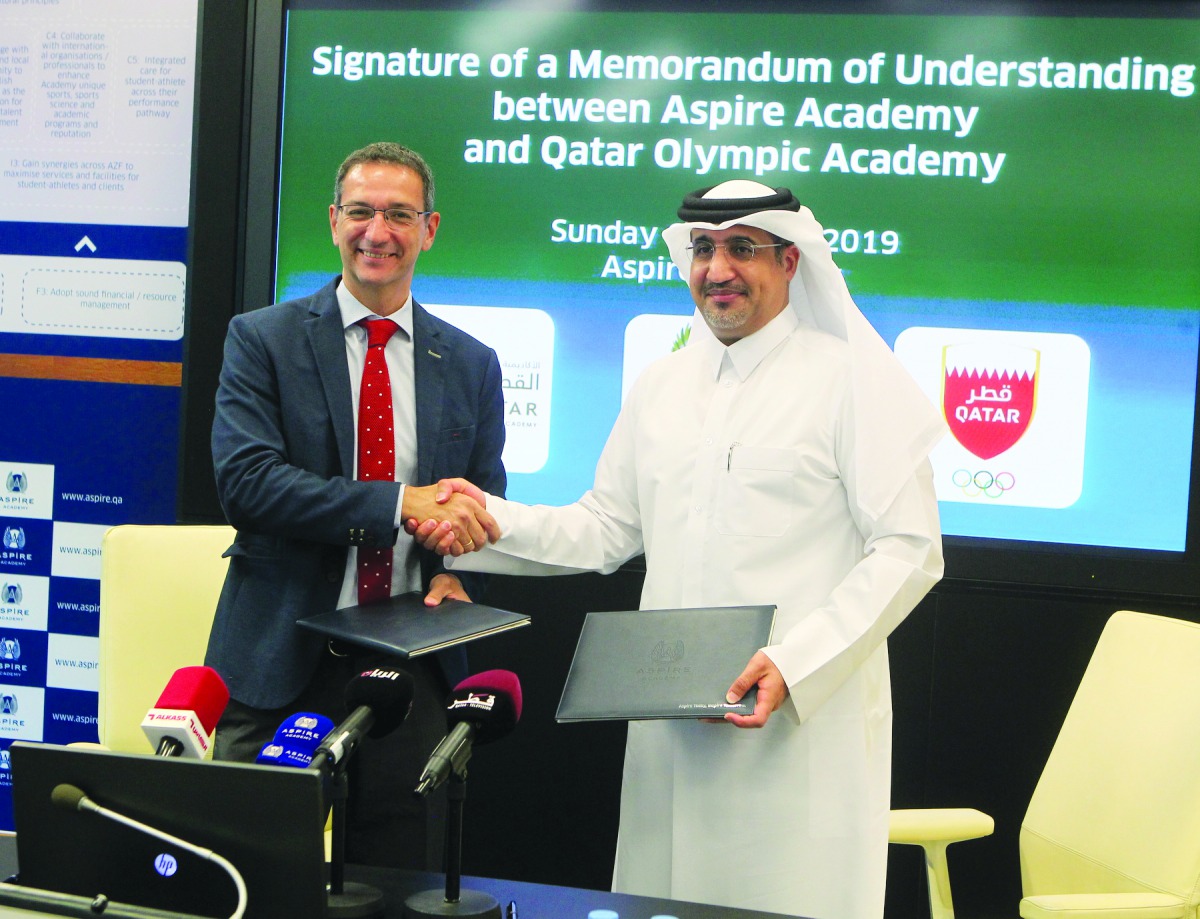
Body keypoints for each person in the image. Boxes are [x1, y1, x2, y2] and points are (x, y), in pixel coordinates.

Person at [411, 180, 946, 918]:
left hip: (792, 733)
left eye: (742, 249)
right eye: (703, 249)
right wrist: (486, 521)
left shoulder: (849, 381)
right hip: (670, 729)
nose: (718, 269)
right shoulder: (661, 384)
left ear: (790, 261)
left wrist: (796, 662)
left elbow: (909, 548)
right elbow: (606, 525)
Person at [205, 142, 506, 870]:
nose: (379, 231)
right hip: (279, 660)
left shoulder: (471, 363)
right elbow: (247, 484)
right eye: (362, 211)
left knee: (398, 883)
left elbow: (482, 500)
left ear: (429, 229)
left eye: (399, 214)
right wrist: (399, 503)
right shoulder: (262, 339)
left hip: (410, 666)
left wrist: (458, 571)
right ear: (334, 220)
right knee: (250, 876)